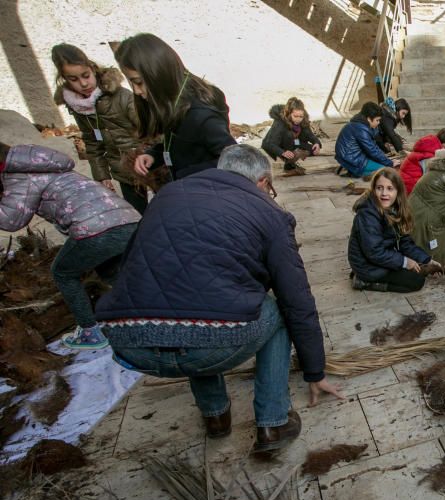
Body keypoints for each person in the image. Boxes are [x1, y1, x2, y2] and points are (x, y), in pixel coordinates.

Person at [95, 145, 343, 454]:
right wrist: (314, 371)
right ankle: (273, 421)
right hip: (205, 343)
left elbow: (130, 263)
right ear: (264, 181)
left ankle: (215, 416)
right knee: (276, 312)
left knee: (191, 299)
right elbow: (297, 301)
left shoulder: (168, 194)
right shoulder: (269, 214)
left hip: (129, 339)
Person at [0, 142, 140, 349]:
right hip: (128, 219)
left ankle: (90, 332)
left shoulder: (20, 176)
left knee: (63, 273)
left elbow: (11, 221)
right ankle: (148, 316)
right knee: (111, 271)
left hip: (96, 228)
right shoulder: (41, 163)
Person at [115, 33, 236, 181]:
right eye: (131, 83)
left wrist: (186, 175)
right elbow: (180, 145)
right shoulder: (174, 101)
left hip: (208, 190)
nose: (136, 91)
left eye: (139, 82)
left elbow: (234, 160)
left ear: (157, 73)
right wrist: (154, 155)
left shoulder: (200, 114)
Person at [50, 43, 148, 213]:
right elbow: (92, 142)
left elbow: (150, 131)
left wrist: (154, 158)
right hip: (123, 170)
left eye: (86, 75)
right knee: (140, 215)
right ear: (64, 79)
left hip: (148, 162)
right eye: (74, 79)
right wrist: (102, 176)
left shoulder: (122, 97)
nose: (83, 83)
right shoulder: (77, 105)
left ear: (92, 69)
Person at [349, 168, 439, 293]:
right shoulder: (367, 214)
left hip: (380, 258)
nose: (384, 193)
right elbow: (374, 252)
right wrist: (405, 262)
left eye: (390, 188)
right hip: (367, 265)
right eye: (379, 188)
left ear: (398, 191)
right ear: (373, 189)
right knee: (416, 281)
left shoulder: (395, 209)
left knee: (419, 271)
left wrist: (427, 260)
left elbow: (404, 242)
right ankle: (364, 282)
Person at [335, 102, 400, 178]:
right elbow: (372, 150)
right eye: (377, 120)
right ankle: (355, 172)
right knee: (386, 171)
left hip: (350, 156)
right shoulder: (361, 129)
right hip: (352, 159)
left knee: (383, 165)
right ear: (369, 119)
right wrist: (390, 163)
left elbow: (374, 147)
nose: (379, 123)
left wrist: (387, 160)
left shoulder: (361, 124)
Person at [261, 97, 322, 175]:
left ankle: (295, 152)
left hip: (294, 141)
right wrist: (282, 152)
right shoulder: (280, 123)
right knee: (289, 136)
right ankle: (288, 163)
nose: (298, 119)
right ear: (289, 114)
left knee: (314, 150)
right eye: (295, 116)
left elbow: (310, 134)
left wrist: (316, 143)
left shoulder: (304, 120)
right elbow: (269, 143)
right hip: (277, 144)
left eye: (301, 116)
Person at [399, 127, 445, 194]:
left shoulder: (427, 149)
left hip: (405, 187)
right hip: (411, 193)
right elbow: (431, 183)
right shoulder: (430, 158)